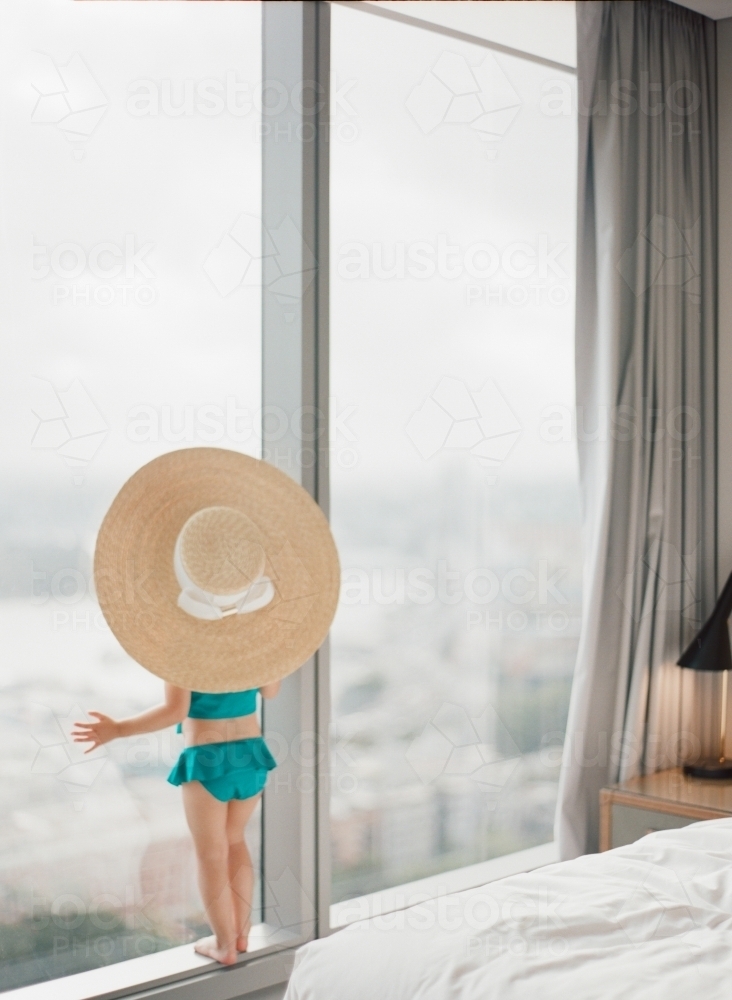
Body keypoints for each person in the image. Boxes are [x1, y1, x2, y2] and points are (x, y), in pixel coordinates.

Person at [72, 680, 280, 966]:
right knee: (235, 840)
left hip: (209, 759)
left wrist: (119, 729)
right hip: (252, 755)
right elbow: (270, 691)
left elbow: (174, 711)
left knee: (210, 854)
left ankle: (224, 945)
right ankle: (241, 934)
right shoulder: (254, 649)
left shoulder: (185, 656)